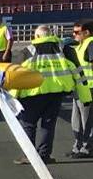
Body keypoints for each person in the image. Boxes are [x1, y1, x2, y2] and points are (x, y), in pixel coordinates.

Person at [15, 25, 79, 163]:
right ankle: (44, 155)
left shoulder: (28, 51)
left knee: (28, 124)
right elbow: (77, 70)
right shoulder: (63, 49)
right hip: (55, 93)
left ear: (37, 36)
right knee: (48, 125)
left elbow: (16, 75)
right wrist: (81, 94)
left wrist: (13, 97)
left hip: (32, 93)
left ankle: (29, 156)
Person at [69, 19, 93, 158]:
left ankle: (86, 147)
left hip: (89, 87)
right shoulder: (80, 45)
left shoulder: (90, 43)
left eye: (77, 32)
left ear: (87, 32)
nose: (74, 35)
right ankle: (78, 146)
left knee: (87, 120)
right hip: (79, 88)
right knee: (76, 119)